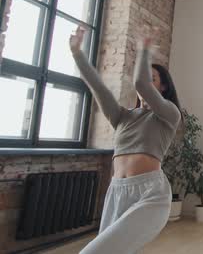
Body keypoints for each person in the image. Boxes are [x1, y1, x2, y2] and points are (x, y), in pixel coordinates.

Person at [71, 26, 182, 254]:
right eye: (145, 76)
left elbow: (140, 83)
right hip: (117, 192)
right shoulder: (122, 116)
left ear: (162, 87)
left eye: (153, 79)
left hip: (150, 194)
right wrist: (77, 54)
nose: (145, 83)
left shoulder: (169, 114)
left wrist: (143, 50)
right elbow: (99, 88)